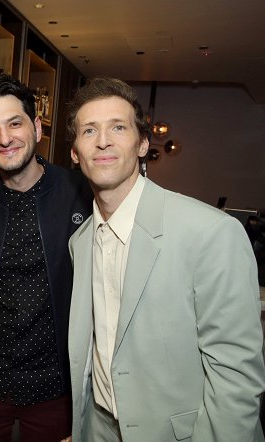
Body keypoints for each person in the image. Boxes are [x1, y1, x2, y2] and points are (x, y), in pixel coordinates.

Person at [65, 77, 265, 442]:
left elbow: (236, 375)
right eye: (89, 130)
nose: (103, 141)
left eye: (118, 127)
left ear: (142, 144)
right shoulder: (81, 241)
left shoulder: (210, 232)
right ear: (76, 153)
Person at [0, 73, 92, 442]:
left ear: (37, 127)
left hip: (56, 385)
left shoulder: (83, 197)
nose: (5, 138)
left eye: (14, 123)